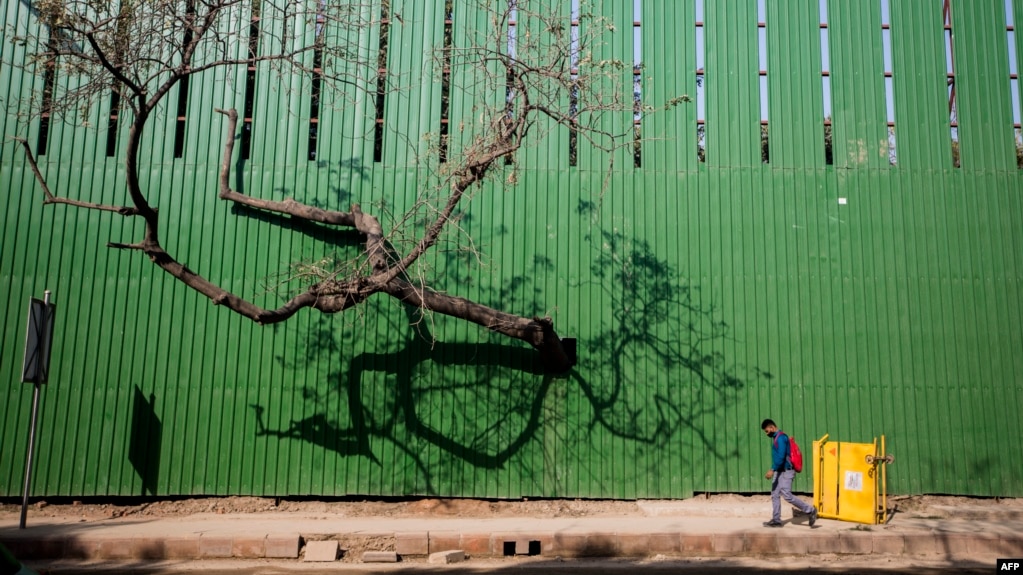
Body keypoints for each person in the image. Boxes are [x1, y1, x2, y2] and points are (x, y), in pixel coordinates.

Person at [761, 418, 818, 527]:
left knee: (786, 494)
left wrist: (772, 469)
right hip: (779, 470)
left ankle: (810, 510)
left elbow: (782, 456)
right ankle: (776, 520)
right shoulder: (777, 437)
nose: (766, 434)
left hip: (786, 471)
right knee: (775, 494)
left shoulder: (781, 438)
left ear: (772, 427)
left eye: (767, 431)